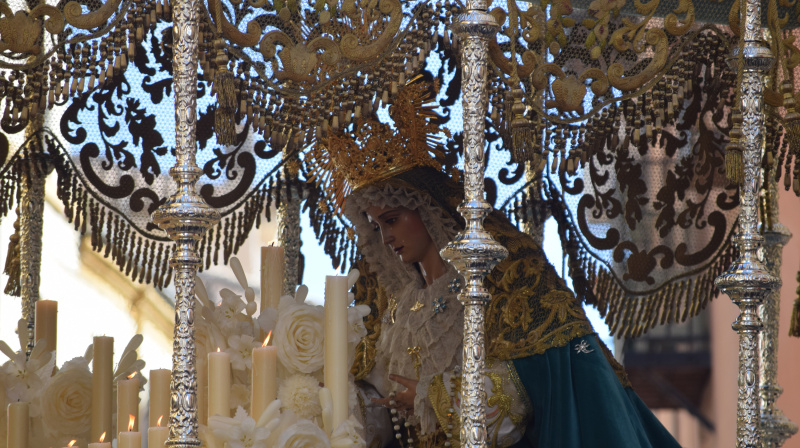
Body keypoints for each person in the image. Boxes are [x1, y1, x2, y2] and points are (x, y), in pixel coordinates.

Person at [308, 80, 682, 448]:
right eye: (376, 226)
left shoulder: (501, 276)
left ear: (427, 210)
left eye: (391, 220)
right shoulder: (396, 308)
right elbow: (381, 405)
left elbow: (547, 372)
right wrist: (333, 403)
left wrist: (435, 397)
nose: (385, 237)